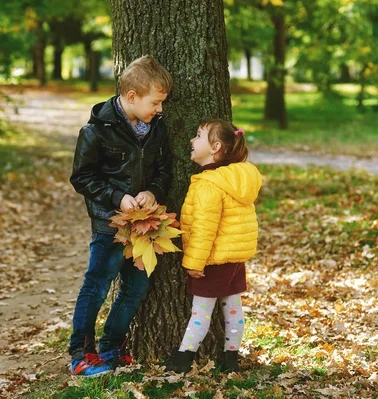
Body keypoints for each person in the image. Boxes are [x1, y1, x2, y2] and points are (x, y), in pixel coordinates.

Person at [68, 55, 173, 376]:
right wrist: (118, 197)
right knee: (97, 285)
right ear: (131, 97)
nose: (160, 109)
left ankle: (111, 347)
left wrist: (153, 191)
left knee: (136, 288)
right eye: (155, 102)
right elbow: (82, 177)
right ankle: (80, 354)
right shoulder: (96, 130)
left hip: (144, 228)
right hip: (109, 225)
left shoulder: (156, 129)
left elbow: (165, 169)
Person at [163, 119, 261, 373]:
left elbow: (205, 228)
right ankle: (231, 359)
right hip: (234, 258)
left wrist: (194, 263)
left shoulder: (209, 184)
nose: (191, 141)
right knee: (232, 307)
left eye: (198, 136)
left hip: (213, 259)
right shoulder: (239, 178)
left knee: (201, 312)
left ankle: (183, 359)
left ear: (215, 147)